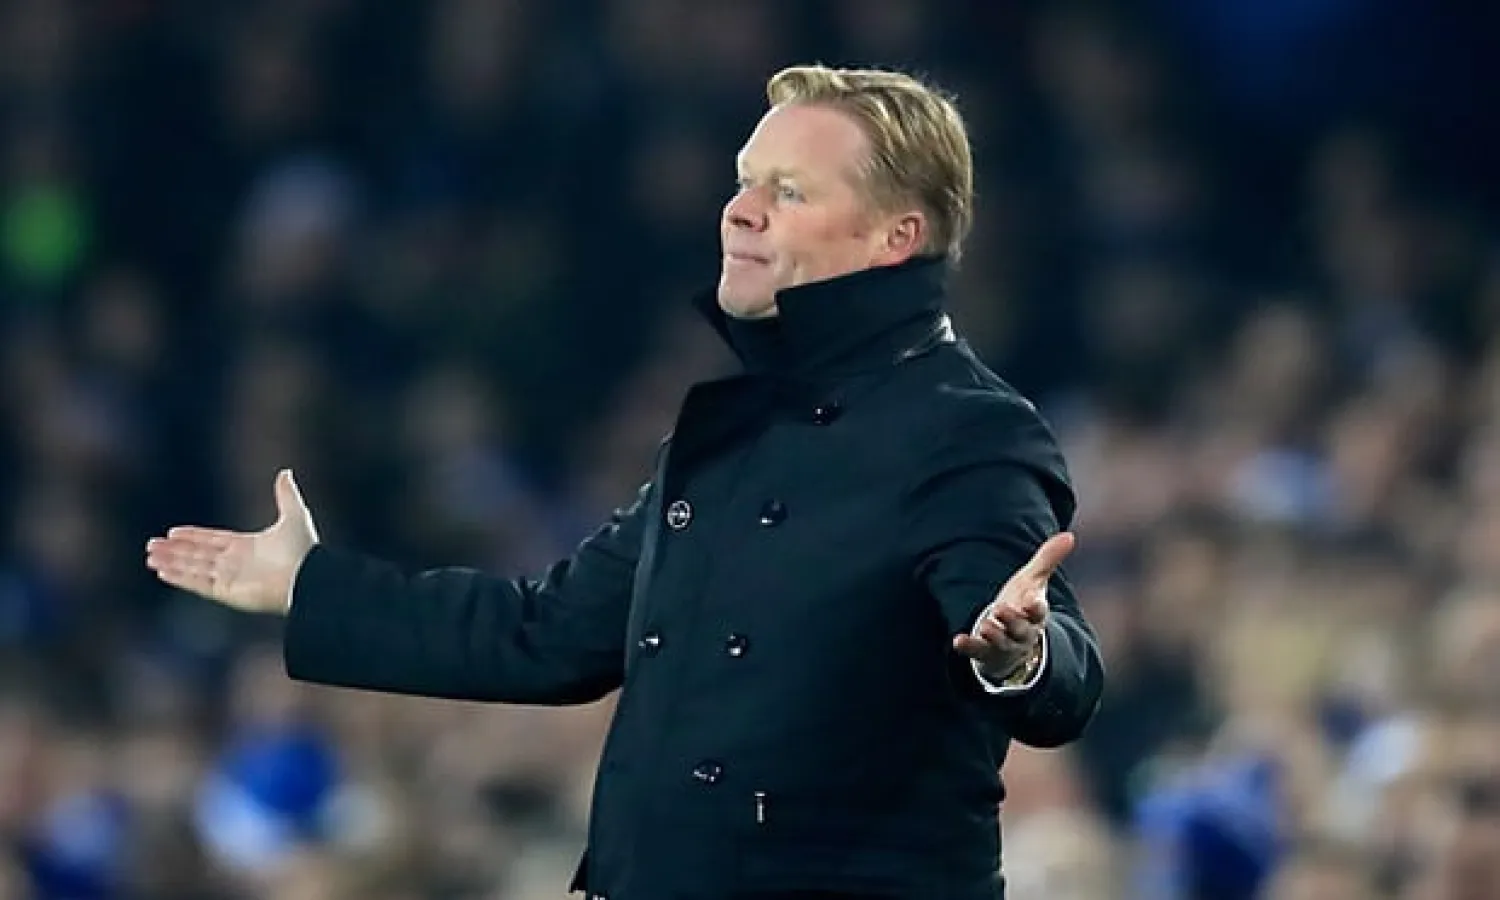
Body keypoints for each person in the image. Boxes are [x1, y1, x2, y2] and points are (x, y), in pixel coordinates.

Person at [146, 64, 1105, 900]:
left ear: (897, 237)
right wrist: (308, 587)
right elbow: (548, 635)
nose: (739, 210)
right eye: (742, 183)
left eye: (789, 191)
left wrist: (1017, 658)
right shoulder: (727, 439)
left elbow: (1053, 665)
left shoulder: (968, 432)